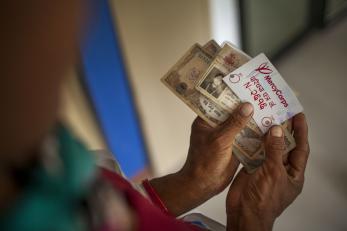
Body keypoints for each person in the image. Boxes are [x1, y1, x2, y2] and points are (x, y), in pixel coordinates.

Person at [0, 1, 310, 231]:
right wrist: (254, 220)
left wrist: (192, 182)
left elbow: (116, 214)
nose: (83, 17)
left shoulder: (45, 155)